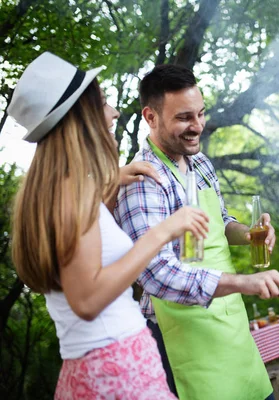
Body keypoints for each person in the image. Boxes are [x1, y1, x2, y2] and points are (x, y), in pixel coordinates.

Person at [8, 52, 211, 398]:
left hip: (91, 365)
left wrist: (108, 186)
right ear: (80, 116)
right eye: (103, 103)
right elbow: (88, 300)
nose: (114, 112)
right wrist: (164, 230)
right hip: (117, 368)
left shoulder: (51, 192)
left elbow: (81, 251)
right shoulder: (71, 195)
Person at [114, 64, 279, 400]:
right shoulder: (143, 182)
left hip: (232, 329)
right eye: (185, 117)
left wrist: (249, 233)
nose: (198, 126)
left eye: (200, 113)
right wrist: (246, 282)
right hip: (185, 339)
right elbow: (156, 274)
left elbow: (222, 222)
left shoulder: (200, 163)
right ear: (151, 117)